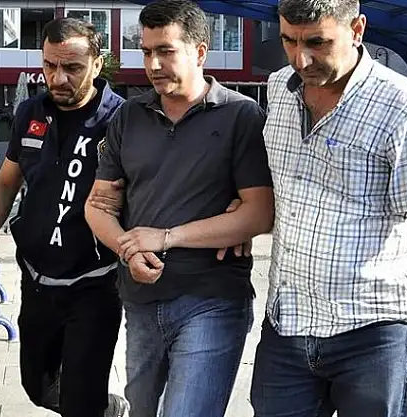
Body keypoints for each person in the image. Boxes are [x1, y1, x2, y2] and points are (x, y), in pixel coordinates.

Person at [250, 1, 407, 417]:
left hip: (372, 333)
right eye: (289, 41)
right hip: (288, 325)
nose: (301, 59)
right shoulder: (279, 89)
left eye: (317, 43)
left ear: (357, 29)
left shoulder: (405, 110)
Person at [83, 1, 274, 416]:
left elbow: (259, 214)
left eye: (165, 51)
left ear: (200, 52)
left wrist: (166, 238)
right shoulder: (128, 116)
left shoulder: (241, 116)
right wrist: (128, 249)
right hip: (140, 301)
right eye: (146, 51)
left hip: (212, 299)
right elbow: (97, 206)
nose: (153, 65)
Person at [0, 17, 129, 417]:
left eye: (72, 67)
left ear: (97, 64)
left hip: (95, 284)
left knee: (79, 402)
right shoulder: (31, 112)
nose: (58, 78)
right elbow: (5, 184)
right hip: (36, 279)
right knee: (37, 388)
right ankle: (105, 408)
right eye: (50, 65)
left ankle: (92, 405)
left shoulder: (122, 120)